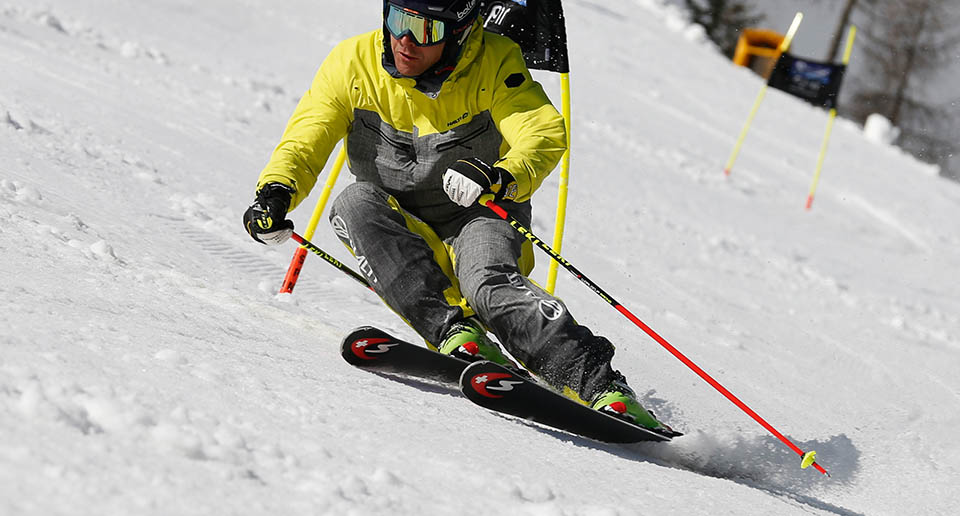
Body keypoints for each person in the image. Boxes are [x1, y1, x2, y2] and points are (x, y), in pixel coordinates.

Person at [243, 0, 670, 431]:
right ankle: (458, 335)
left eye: (426, 30)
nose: (406, 40)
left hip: (478, 216)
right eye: (398, 19)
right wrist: (276, 192)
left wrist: (500, 175)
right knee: (353, 203)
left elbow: (540, 131)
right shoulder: (353, 63)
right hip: (400, 226)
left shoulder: (495, 60)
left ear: (460, 32)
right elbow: (307, 135)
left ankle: (602, 388)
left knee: (487, 285)